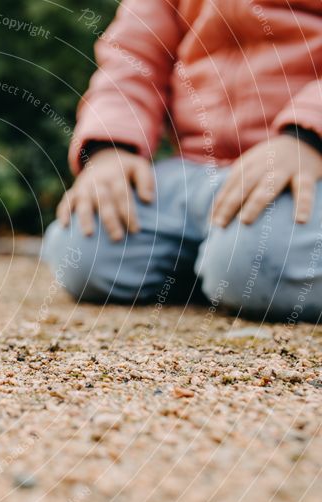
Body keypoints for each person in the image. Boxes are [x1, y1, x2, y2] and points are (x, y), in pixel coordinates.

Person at [42, 0, 322, 322]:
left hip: (304, 167)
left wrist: (307, 137)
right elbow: (132, 57)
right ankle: (217, 264)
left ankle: (229, 263)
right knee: (81, 253)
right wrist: (110, 148)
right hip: (195, 169)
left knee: (253, 266)